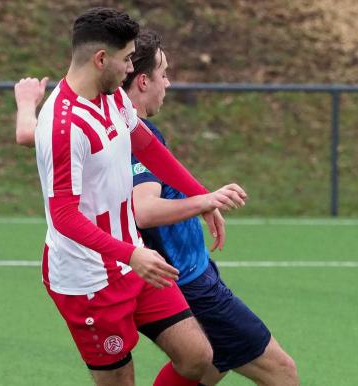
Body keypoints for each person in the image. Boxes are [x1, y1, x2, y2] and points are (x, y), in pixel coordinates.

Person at [15, 29, 299, 386]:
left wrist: (202, 197)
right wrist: (198, 204)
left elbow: (34, 136)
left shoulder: (111, 102)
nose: (132, 68)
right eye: (161, 72)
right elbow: (124, 210)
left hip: (139, 263)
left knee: (203, 359)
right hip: (102, 277)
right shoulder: (70, 121)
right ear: (107, 62)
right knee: (278, 371)